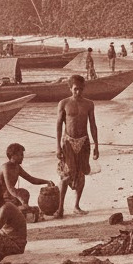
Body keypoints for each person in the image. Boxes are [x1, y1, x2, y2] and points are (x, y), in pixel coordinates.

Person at [55, 75, 98, 217]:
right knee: (66, 175)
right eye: (75, 89)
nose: (78, 92)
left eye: (80, 89)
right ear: (70, 88)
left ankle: (76, 206)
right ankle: (60, 208)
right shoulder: (64, 103)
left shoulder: (89, 104)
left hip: (84, 141)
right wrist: (58, 146)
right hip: (68, 141)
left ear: (84, 88)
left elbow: (93, 125)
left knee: (81, 174)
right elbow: (58, 126)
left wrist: (96, 145)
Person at [0, 143, 54, 218]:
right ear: (13, 155)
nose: (22, 157)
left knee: (24, 192)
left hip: (10, 195)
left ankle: (21, 210)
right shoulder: (6, 167)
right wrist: (22, 201)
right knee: (21, 198)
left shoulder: (17, 167)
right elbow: (10, 188)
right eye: (21, 155)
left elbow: (31, 179)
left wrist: (47, 181)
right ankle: (20, 210)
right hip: (0, 196)